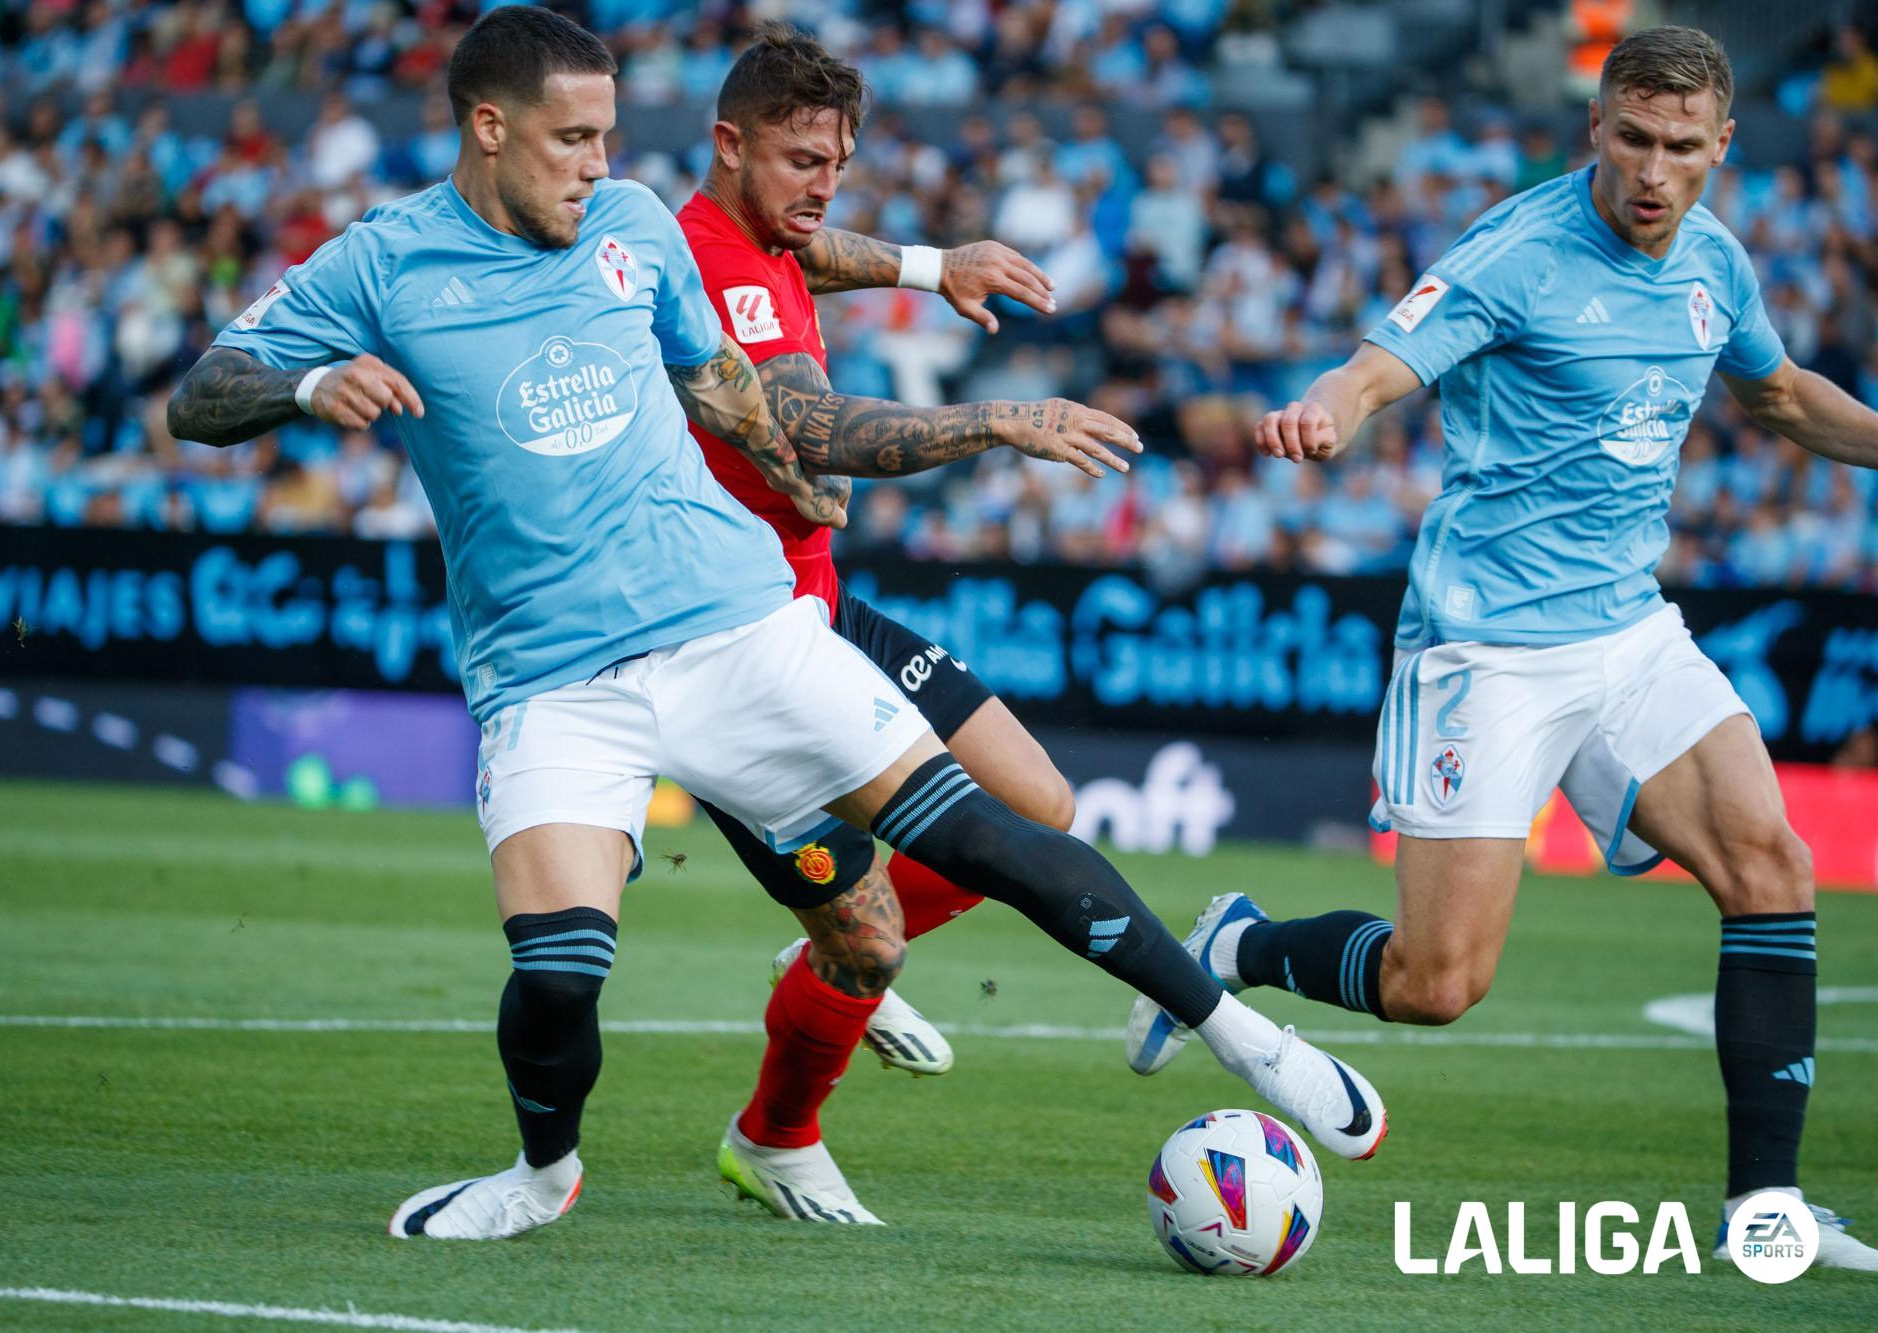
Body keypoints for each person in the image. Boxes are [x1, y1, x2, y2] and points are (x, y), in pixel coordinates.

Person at [168, 5, 1388, 1245]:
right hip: (549, 674)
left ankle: (1240, 1034)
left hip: (737, 621)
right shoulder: (381, 265)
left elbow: (720, 375)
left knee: (992, 832)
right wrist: (310, 383)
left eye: (605, 137)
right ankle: (542, 1175)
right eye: (574, 139)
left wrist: (794, 447)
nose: (599, 163)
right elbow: (200, 393)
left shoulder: (630, 225)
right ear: (489, 128)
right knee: (555, 972)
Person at [1126, 26, 1878, 1271]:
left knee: (1771, 863)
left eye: (1679, 148)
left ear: (1720, 148)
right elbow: (1373, 369)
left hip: (1629, 632)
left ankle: (1766, 1214)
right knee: (1435, 983)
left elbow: (1781, 395)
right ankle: (1237, 946)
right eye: (1630, 138)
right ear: (1593, 127)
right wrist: (1325, 408)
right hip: (1488, 648)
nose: (1651, 170)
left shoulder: (1715, 261)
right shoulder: (1515, 254)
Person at [673, 25, 1126, 1222]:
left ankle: (815, 957)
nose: (821, 188)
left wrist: (932, 266)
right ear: (728, 147)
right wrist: (993, 422)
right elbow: (814, 430)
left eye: (836, 160)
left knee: (1034, 804)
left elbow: (809, 259)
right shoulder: (703, 265)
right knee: (870, 942)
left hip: (819, 605)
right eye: (797, 161)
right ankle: (772, 1135)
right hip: (732, 644)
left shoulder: (762, 238)